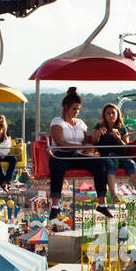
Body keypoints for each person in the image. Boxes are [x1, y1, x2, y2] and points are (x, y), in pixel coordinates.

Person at [48, 86, 116, 221]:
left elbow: (84, 141)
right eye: (74, 109)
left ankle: (102, 203)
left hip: (78, 155)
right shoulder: (57, 123)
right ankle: (55, 206)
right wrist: (80, 146)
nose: (76, 112)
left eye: (78, 109)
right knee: (57, 167)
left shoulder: (81, 124)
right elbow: (60, 142)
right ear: (66, 107)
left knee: (100, 165)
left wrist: (88, 147)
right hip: (61, 155)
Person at [89, 102, 136, 202]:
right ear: (104, 115)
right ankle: (114, 195)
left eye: (113, 113)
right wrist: (98, 134)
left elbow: (126, 147)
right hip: (105, 156)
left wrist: (118, 138)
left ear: (117, 114)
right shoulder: (99, 127)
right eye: (108, 113)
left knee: (131, 164)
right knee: (110, 165)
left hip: (119, 155)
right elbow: (94, 143)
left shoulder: (122, 128)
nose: (111, 115)